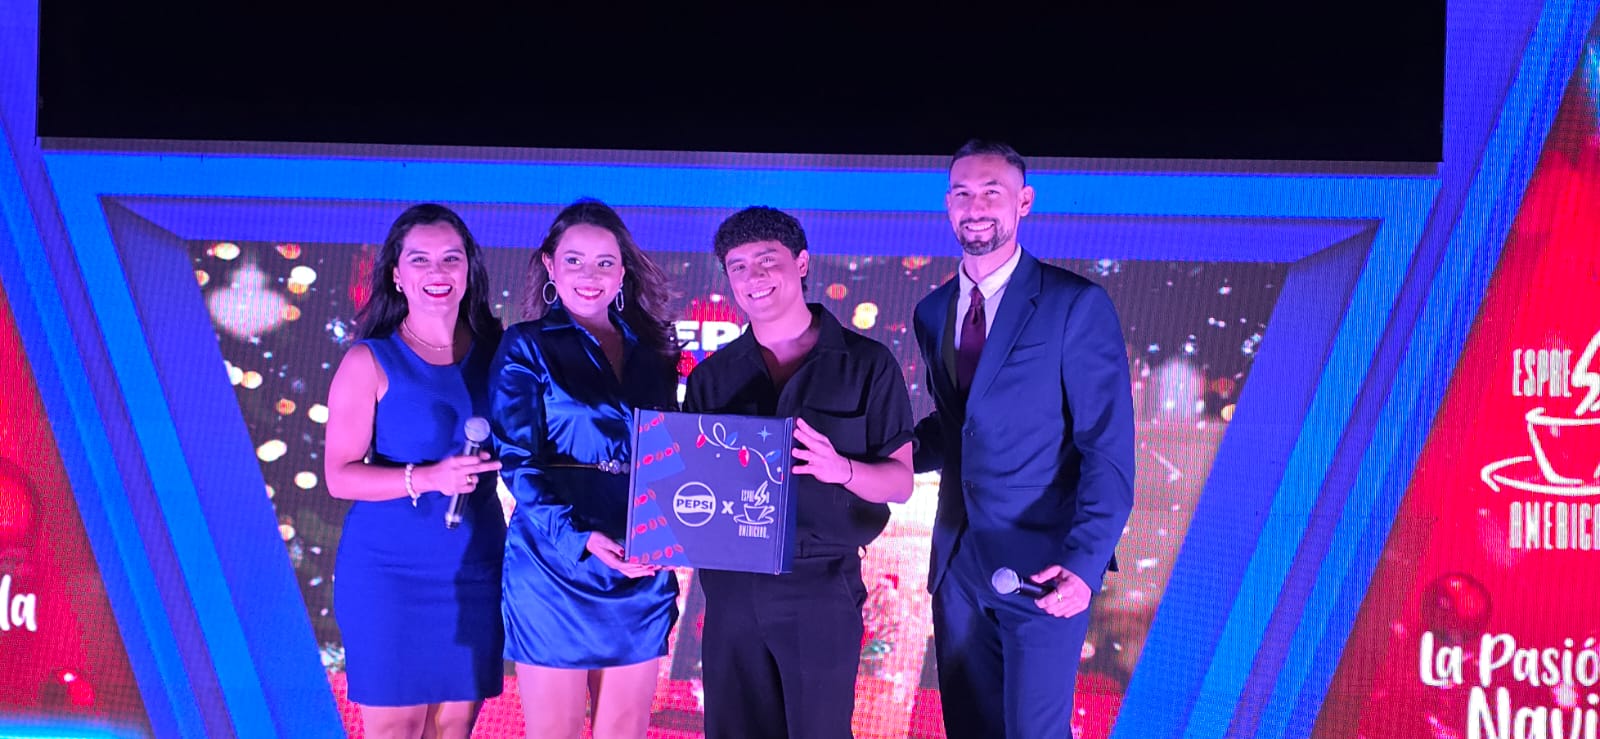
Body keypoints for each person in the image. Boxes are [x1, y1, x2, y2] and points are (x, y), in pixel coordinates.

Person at [912, 140, 1136, 739]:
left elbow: (1107, 449)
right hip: (958, 568)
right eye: (963, 193)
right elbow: (952, 428)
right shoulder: (932, 311)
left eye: (993, 192)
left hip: (1045, 569)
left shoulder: (1074, 304)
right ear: (948, 204)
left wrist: (1084, 566)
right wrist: (868, 456)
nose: (976, 207)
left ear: (1025, 201)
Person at [683, 206, 916, 739]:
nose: (754, 277)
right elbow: (693, 490)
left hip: (820, 584)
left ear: (802, 263)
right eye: (739, 266)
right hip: (731, 588)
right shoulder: (711, 377)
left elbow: (901, 482)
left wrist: (842, 469)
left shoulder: (867, 363)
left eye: (768, 260)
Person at [489, 199, 681, 739]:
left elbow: (668, 460)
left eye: (604, 263)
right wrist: (580, 537)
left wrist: (672, 534)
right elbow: (518, 462)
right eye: (574, 260)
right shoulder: (526, 345)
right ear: (550, 265)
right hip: (554, 565)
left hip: (639, 565)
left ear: (623, 272)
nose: (589, 276)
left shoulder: (654, 353)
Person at [324, 203, 507, 739]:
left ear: (469, 270)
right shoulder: (369, 360)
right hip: (388, 573)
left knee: (454, 726)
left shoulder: (502, 356)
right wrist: (428, 478)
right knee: (396, 728)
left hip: (475, 569)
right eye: (420, 259)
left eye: (451, 258)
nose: (437, 271)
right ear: (397, 275)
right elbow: (339, 476)